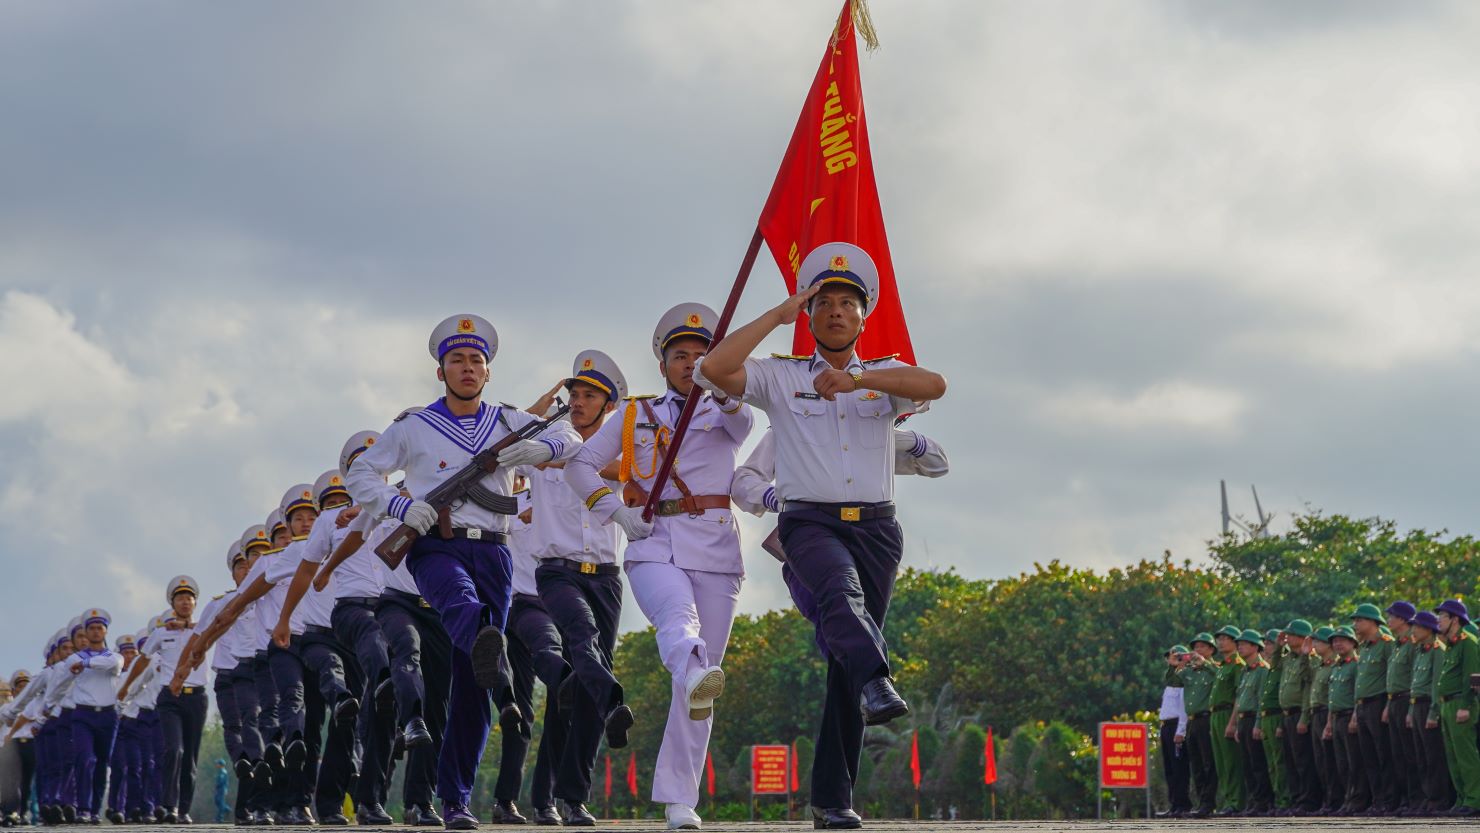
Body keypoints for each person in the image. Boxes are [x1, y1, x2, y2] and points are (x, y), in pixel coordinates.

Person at [696, 242, 947, 830]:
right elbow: (715, 369)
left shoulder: (883, 377)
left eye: (847, 303)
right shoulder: (783, 377)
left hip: (877, 528)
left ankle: (833, 800)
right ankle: (880, 677)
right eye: (823, 302)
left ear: (863, 316)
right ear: (808, 317)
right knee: (840, 596)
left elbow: (935, 384)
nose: (835, 311)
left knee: (844, 664)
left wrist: (857, 378)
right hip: (809, 521)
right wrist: (772, 317)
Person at [345, 314, 582, 829]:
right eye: (457, 360)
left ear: (489, 372)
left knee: (472, 685)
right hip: (435, 546)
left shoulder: (508, 420)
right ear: (441, 371)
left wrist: (540, 448)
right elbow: (360, 471)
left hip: (494, 551)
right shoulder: (414, 426)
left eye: (477, 360)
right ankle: (488, 649)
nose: (468, 368)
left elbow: (572, 439)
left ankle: (454, 800)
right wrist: (400, 508)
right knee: (461, 604)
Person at [568, 321, 753, 832]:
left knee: (697, 691)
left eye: (701, 354)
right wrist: (614, 511)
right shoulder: (635, 414)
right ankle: (692, 665)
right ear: (662, 363)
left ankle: (679, 800)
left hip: (716, 547)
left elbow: (744, 428)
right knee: (678, 621)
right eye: (680, 355)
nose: (690, 363)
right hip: (655, 542)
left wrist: (725, 384)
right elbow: (581, 464)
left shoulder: (728, 408)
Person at [523, 349, 634, 827]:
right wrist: (541, 409)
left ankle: (566, 797)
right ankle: (611, 694)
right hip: (557, 571)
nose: (579, 402)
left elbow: (634, 477)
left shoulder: (624, 455)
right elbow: (504, 443)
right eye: (574, 393)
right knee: (584, 644)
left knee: (576, 692)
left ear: (609, 407)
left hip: (606, 576)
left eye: (590, 395)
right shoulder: (544, 443)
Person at [486, 478, 565, 827]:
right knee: (533, 699)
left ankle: (534, 802)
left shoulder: (570, 494)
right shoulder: (508, 502)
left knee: (548, 710)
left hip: (563, 602)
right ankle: (515, 800)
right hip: (521, 605)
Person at [120, 578, 206, 824]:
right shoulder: (160, 633)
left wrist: (192, 626)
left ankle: (184, 809)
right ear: (172, 603)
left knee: (190, 756)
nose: (185, 602)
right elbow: (143, 660)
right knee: (173, 749)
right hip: (170, 698)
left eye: (189, 598)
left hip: (197, 698)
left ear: (195, 602)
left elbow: (220, 628)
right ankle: (169, 806)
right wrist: (126, 687)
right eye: (180, 598)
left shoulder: (203, 628)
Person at [65, 608, 122, 825]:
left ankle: (96, 809)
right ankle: (83, 808)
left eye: (100, 628)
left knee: (102, 763)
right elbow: (66, 673)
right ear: (86, 632)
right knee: (85, 759)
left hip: (108, 716)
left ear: (106, 631)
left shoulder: (114, 656)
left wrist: (88, 664)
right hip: (83, 715)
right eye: (92, 628)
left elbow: (114, 665)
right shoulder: (74, 657)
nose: (96, 632)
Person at [1434, 599, 1480, 816]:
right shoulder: (1451, 645)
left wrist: (1466, 705)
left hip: (1460, 704)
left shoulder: (1467, 642)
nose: (1438, 620)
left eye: (1442, 616)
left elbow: (1469, 677)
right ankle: (1462, 798)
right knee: (1453, 756)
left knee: (1466, 755)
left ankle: (1474, 799)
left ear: (1454, 619)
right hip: (1447, 704)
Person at [1350, 603, 1395, 814]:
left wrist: (1388, 705)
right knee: (1368, 756)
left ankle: (1389, 799)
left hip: (1378, 704)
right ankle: (1377, 800)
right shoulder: (1365, 648)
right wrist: (1354, 713)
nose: (1355, 624)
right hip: (1362, 706)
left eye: (1359, 620)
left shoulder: (1386, 644)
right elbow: (1360, 683)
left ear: (1373, 622)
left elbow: (1391, 678)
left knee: (1383, 753)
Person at [1407, 610, 1452, 815]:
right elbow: (1413, 684)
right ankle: (1427, 797)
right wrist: (1409, 710)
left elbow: (1436, 685)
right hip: (1416, 706)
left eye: (1416, 626)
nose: (1413, 630)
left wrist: (1433, 712)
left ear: (1427, 629)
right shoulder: (1420, 651)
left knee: (1433, 755)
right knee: (1421, 756)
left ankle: (1438, 798)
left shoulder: (1437, 650)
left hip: (1428, 706)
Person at [1276, 620, 1317, 815]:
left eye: (1291, 635)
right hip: (1286, 715)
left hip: (1300, 714)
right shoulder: (1288, 658)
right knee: (1291, 761)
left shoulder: (1310, 658)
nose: (1287, 637)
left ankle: (1308, 800)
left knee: (1303, 760)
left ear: (1302, 638)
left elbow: (1308, 685)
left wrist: (1304, 717)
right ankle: (1296, 799)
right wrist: (1278, 646)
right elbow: (1273, 665)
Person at [1383, 601, 1419, 815]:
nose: (1389, 620)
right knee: (1397, 754)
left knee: (1410, 753)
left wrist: (1411, 708)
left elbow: (1416, 678)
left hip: (1408, 700)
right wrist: (1388, 705)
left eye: (1392, 616)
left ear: (1404, 620)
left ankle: (1416, 798)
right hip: (1394, 701)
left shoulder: (1413, 645)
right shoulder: (1396, 645)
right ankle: (1404, 798)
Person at [1231, 629, 1272, 815]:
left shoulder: (1262, 670)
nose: (1239, 647)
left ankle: (1263, 802)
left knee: (1258, 763)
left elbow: (1261, 699)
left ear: (1255, 646)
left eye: (1244, 644)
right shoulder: (1246, 671)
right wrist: (1238, 726)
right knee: (1247, 764)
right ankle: (1254, 801)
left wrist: (1258, 724)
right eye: (1238, 644)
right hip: (1243, 721)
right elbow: (1240, 699)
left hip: (1254, 719)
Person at [1177, 633, 1218, 818]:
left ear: (1211, 650)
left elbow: (1221, 678)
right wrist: (1177, 663)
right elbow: (1172, 681)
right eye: (1196, 647)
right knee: (1197, 764)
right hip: (1192, 721)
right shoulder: (1189, 672)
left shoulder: (1214, 668)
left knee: (1209, 761)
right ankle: (1202, 801)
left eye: (1202, 647)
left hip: (1206, 718)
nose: (1198, 650)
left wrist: (1206, 664)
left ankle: (1209, 803)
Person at [1326, 625, 1363, 815]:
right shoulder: (1337, 667)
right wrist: (1329, 724)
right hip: (1337, 717)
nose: (1337, 644)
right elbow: (1332, 698)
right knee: (1341, 763)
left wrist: (1355, 718)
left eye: (1342, 640)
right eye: (1334, 641)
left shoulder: (1356, 665)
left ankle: (1358, 799)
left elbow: (1358, 694)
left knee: (1354, 761)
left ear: (1352, 643)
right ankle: (1347, 798)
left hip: (1350, 716)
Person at [1209, 625, 1245, 815]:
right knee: (1221, 761)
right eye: (1219, 638)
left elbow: (1239, 696)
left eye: (1226, 638)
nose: (1221, 642)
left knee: (1232, 760)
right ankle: (1228, 799)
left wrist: (1232, 722)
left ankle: (1236, 801)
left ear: (1235, 643)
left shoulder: (1237, 665)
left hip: (1227, 713)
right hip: (1215, 715)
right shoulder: (1222, 666)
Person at [105, 633, 139, 824]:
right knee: (119, 767)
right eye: (126, 653)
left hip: (135, 723)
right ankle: (116, 807)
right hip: (117, 723)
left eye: (133, 653)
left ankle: (133, 807)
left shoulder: (143, 673)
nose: (130, 657)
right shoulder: (113, 676)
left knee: (136, 767)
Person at [1157, 646, 1191, 817]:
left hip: (1177, 726)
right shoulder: (1171, 683)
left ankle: (1182, 803)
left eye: (1177, 658)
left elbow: (1184, 709)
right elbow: (1168, 677)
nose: (1174, 662)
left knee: (1179, 768)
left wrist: (1181, 731)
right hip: (1166, 727)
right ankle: (1174, 803)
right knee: (1170, 768)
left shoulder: (1184, 682)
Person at [1257, 630, 1288, 812]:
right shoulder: (1268, 669)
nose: (1266, 647)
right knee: (1271, 764)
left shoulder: (1281, 664)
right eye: (1266, 644)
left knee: (1280, 762)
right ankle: (1277, 799)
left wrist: (1282, 723)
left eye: (1269, 643)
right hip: (1266, 717)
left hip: (1278, 716)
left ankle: (1284, 800)